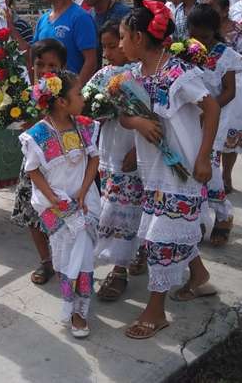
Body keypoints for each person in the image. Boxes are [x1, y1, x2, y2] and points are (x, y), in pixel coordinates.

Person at [118, 0, 220, 339]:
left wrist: (204, 158)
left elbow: (213, 107)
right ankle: (200, 277)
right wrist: (136, 125)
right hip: (154, 171)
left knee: (161, 239)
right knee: (173, 229)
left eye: (122, 38)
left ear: (137, 36)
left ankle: (156, 309)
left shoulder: (178, 72)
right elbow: (126, 114)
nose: (119, 45)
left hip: (185, 171)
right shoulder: (134, 74)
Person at [19, 71, 101, 338]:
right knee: (64, 258)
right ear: (62, 102)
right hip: (54, 206)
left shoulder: (85, 126)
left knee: (84, 254)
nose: (83, 98)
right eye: (78, 93)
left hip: (84, 202)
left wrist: (84, 189)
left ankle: (80, 312)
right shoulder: (38, 135)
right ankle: (71, 302)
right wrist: (53, 198)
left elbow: (94, 160)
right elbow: (33, 171)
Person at [86, 20, 146, 301]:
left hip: (135, 148)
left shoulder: (140, 74)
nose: (110, 52)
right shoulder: (103, 75)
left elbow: (150, 115)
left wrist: (137, 151)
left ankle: (126, 264)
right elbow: (87, 106)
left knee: (134, 209)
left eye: (115, 44)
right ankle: (122, 263)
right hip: (110, 150)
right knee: (116, 209)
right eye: (106, 47)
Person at [11, 39, 67, 285]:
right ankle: (46, 261)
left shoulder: (68, 95)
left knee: (60, 214)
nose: (45, 71)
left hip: (59, 168)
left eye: (52, 66)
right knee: (32, 211)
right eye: (39, 64)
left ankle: (65, 261)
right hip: (32, 167)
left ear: (63, 67)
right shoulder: (28, 95)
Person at [187, 5, 242, 245]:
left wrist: (209, 110)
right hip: (188, 119)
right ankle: (197, 219)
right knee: (190, 168)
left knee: (208, 168)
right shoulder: (184, 51)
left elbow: (229, 91)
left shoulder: (226, 55)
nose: (200, 41)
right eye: (195, 35)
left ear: (215, 31)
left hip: (213, 118)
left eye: (206, 36)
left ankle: (223, 215)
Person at [202, 0, 242, 194]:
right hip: (209, 87)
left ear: (225, 10)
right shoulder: (201, 30)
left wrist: (225, 65)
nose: (207, 10)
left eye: (212, 6)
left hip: (234, 87)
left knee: (230, 133)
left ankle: (226, 175)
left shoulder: (239, 30)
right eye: (204, 5)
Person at [33, 0, 98, 84]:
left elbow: (91, 61)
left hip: (68, 97)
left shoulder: (80, 18)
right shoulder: (43, 19)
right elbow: (36, 58)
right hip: (46, 96)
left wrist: (74, 92)